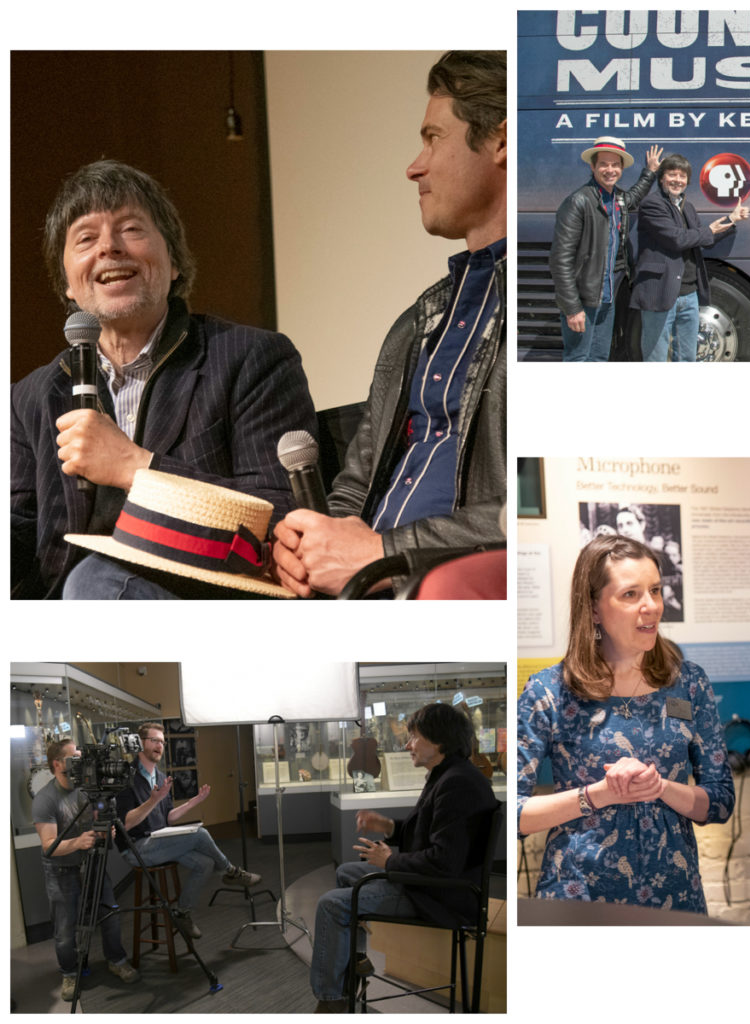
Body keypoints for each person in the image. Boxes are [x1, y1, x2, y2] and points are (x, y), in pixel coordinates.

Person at [11, 160, 316, 600]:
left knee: (93, 580)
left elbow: (285, 518)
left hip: (204, 602)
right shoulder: (31, 397)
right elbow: (19, 534)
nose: (109, 248)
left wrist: (136, 467)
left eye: (131, 229)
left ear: (174, 262)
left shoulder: (252, 359)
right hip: (68, 620)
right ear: (69, 287)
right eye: (86, 238)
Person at [272, 51, 506, 599]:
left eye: (433, 138)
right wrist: (312, 544)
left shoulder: (555, 313)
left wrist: (381, 553)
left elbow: (533, 511)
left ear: (501, 141)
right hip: (367, 593)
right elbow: (354, 486)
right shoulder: (416, 324)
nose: (414, 166)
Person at [517, 535, 734, 911]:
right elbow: (514, 814)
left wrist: (659, 787)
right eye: (631, 595)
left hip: (675, 897)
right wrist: (599, 794)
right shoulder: (550, 690)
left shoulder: (689, 683)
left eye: (655, 590)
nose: (651, 606)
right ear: (594, 608)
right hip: (579, 898)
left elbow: (719, 802)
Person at [310, 702, 498, 1011]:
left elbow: (444, 862)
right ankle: (353, 964)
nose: (407, 744)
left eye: (414, 737)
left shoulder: (457, 784)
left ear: (438, 741)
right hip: (433, 885)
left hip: (442, 895)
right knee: (347, 873)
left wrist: (390, 862)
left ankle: (332, 1001)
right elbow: (429, 836)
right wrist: (388, 827)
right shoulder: (447, 775)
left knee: (331, 905)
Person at [114, 723, 261, 938]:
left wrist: (193, 802)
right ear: (141, 744)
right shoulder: (126, 777)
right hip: (137, 847)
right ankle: (231, 872)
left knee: (205, 863)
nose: (160, 745)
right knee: (200, 834)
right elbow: (125, 824)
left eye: (162, 742)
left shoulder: (162, 777)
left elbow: (169, 817)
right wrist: (153, 801)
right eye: (154, 740)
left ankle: (182, 913)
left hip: (159, 840)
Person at [32, 739, 140, 1001]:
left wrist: (106, 832)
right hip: (61, 871)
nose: (82, 762)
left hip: (93, 862)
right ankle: (69, 973)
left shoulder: (87, 790)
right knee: (66, 927)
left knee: (110, 914)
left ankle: (116, 959)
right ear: (58, 764)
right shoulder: (45, 800)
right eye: (75, 757)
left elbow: (97, 821)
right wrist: (78, 842)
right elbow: (48, 846)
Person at [549, 136, 663, 362]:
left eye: (615, 164)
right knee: (578, 358)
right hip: (584, 300)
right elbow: (560, 259)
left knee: (600, 357)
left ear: (621, 168)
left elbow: (633, 197)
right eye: (603, 164)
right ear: (592, 166)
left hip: (607, 296)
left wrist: (649, 172)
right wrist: (572, 308)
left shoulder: (618, 198)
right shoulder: (578, 202)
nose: (609, 169)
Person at [631, 153, 748, 361]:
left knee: (687, 357)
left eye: (682, 176)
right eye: (672, 174)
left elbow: (701, 238)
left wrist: (732, 219)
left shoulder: (688, 206)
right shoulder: (652, 204)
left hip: (688, 294)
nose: (677, 180)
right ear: (661, 178)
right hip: (660, 291)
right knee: (655, 357)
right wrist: (708, 231)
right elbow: (678, 239)